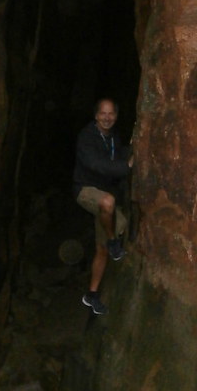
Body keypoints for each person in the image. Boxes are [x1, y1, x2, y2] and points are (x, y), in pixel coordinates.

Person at [73, 98, 133, 315]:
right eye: (103, 114)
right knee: (108, 202)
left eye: (111, 114)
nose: (107, 118)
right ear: (96, 115)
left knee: (103, 248)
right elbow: (97, 164)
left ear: (116, 116)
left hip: (104, 195)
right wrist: (125, 167)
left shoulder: (113, 138)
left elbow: (119, 156)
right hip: (85, 190)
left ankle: (91, 295)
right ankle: (112, 240)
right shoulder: (87, 137)